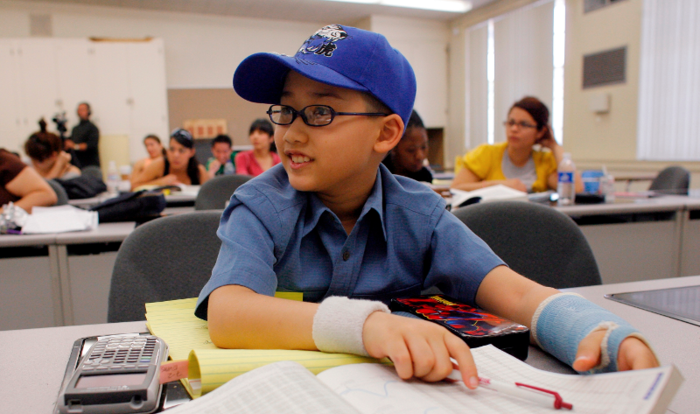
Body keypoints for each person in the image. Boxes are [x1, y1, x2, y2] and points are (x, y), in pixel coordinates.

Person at [196, 25, 658, 389]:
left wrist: (596, 331)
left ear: (386, 134)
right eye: (286, 109)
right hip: (290, 401)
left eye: (321, 113)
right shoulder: (258, 205)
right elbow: (229, 313)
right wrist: (368, 327)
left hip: (402, 403)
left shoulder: (420, 212)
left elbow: (514, 294)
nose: (291, 133)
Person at [451, 96, 582, 194]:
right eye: (511, 122)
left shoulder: (544, 160)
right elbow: (456, 187)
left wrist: (555, 146)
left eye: (523, 124)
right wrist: (500, 186)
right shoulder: (487, 153)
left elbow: (575, 189)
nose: (514, 129)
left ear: (540, 132)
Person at [131, 128, 210, 189]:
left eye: (181, 151)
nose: (175, 155)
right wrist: (160, 183)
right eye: (172, 149)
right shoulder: (159, 165)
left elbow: (208, 197)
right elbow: (133, 186)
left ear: (191, 152)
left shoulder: (199, 171)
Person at [382, 109, 434, 183]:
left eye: (424, 147)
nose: (420, 156)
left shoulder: (424, 176)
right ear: (393, 146)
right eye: (411, 150)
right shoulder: (380, 176)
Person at [64, 102, 100, 169]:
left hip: (90, 165)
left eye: (83, 109)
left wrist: (75, 146)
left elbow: (91, 145)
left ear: (88, 111)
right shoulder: (75, 129)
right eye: (79, 110)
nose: (80, 112)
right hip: (77, 164)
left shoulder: (93, 128)